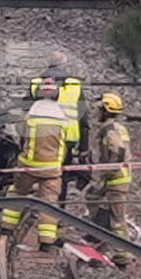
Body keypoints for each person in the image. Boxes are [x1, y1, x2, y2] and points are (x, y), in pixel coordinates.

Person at [1, 78, 68, 252]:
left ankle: (6, 227)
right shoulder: (63, 117)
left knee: (17, 192)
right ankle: (46, 241)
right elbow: (68, 141)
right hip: (52, 168)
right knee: (49, 203)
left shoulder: (30, 116)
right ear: (57, 96)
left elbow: (20, 136)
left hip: (28, 165)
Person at [29, 52, 90, 205]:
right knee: (60, 175)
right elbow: (83, 117)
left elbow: (25, 111)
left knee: (39, 170)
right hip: (67, 138)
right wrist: (84, 147)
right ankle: (59, 208)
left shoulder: (36, 83)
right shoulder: (74, 86)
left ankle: (40, 204)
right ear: (64, 65)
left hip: (39, 136)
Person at [86, 93, 134, 267]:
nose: (97, 112)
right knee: (91, 197)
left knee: (117, 219)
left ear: (105, 111)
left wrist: (109, 170)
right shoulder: (118, 127)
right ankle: (99, 238)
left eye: (100, 109)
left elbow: (118, 151)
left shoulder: (110, 129)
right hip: (117, 179)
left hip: (116, 180)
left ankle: (123, 255)